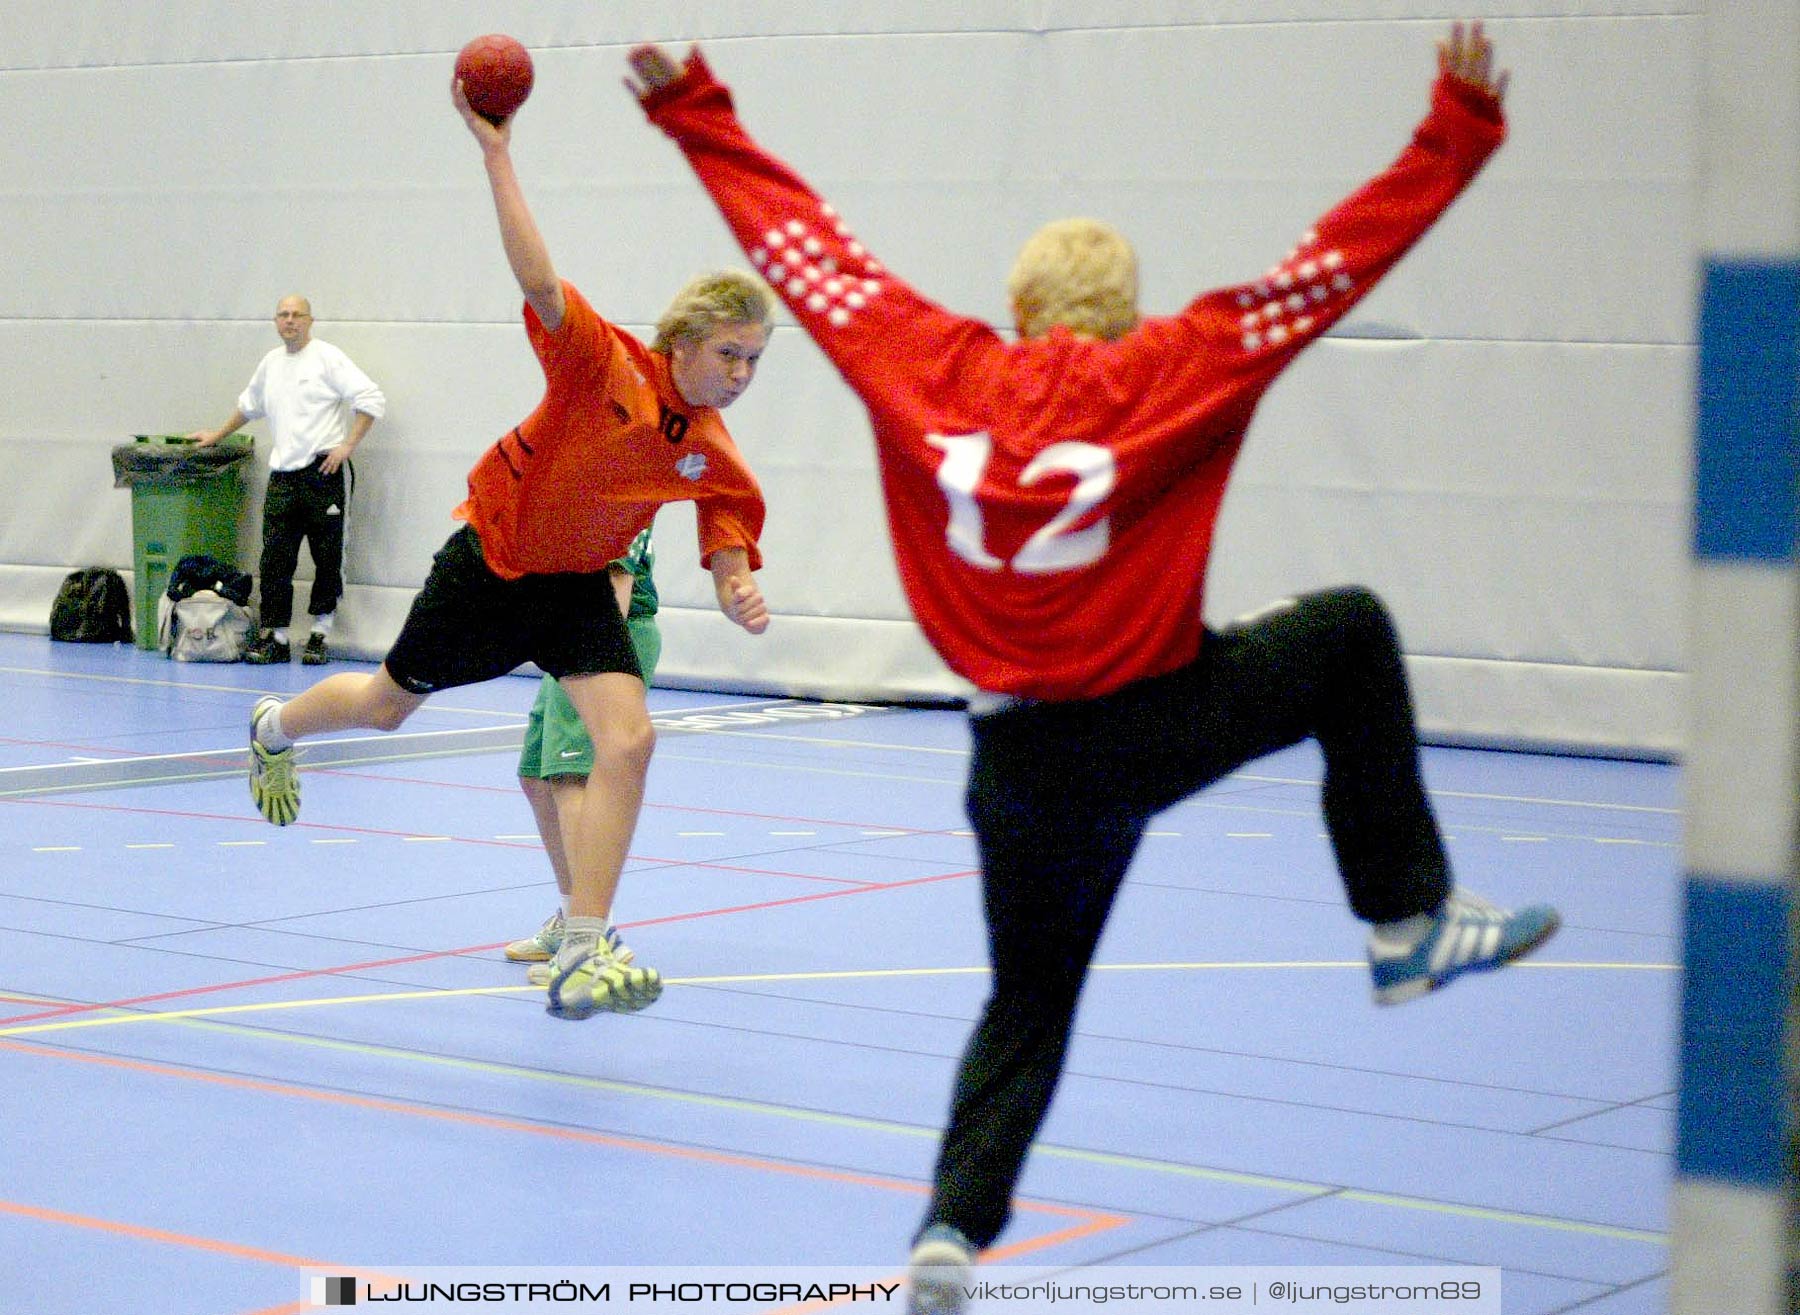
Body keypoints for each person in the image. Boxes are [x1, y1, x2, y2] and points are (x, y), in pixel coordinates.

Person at [627, 20, 1557, 1311]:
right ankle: (1404, 916)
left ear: (1016, 310)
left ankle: (949, 1231)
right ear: (1129, 310)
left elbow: (808, 251)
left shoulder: (926, 360)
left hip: (1014, 764)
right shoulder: (1181, 364)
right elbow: (1329, 269)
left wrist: (697, 115)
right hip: (1161, 721)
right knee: (1348, 633)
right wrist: (1454, 132)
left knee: (1028, 1000)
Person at [244, 71, 775, 1022]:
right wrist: (497, 152)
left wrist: (735, 580)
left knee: (631, 738)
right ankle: (274, 728)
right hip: (488, 567)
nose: (740, 375)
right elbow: (536, 276)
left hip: (575, 591)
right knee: (381, 709)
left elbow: (726, 515)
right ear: (683, 343)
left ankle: (584, 941)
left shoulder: (708, 448)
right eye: (728, 354)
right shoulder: (601, 361)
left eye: (754, 361)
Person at [192, 295, 385, 666]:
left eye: (297, 315)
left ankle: (319, 635)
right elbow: (249, 406)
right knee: (275, 561)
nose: (290, 321)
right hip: (283, 477)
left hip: (323, 474)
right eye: (283, 315)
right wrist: (216, 435)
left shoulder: (328, 358)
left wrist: (347, 445)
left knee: (327, 558)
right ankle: (276, 637)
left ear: (310, 321)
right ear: (275, 321)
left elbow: (371, 399)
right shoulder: (271, 364)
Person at [506, 526, 662, 985]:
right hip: (566, 641)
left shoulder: (619, 492)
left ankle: (594, 936)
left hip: (602, 642)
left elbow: (617, 586)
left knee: (571, 777)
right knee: (536, 775)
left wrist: (589, 657)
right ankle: (574, 915)